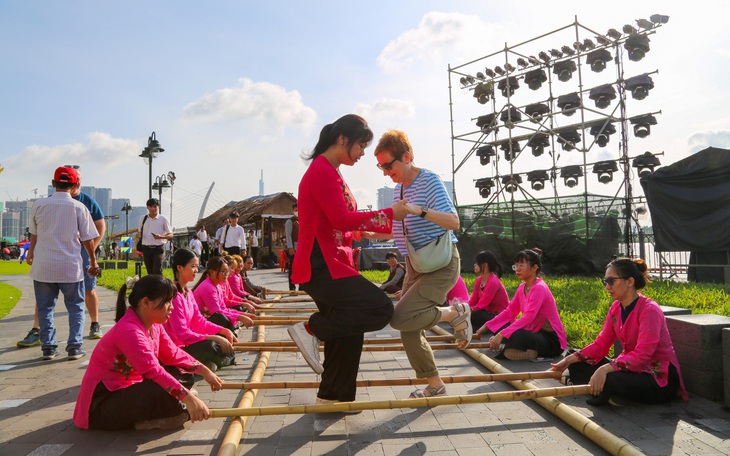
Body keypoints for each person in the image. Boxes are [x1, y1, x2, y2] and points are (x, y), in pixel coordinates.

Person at [287, 114, 407, 405]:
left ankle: (333, 397)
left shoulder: (332, 171)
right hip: (322, 262)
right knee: (378, 308)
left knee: (348, 330)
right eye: (361, 146)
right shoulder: (321, 171)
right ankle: (310, 330)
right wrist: (391, 215)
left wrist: (367, 230)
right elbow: (340, 218)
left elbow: (337, 223)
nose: (363, 153)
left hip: (335, 260)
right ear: (343, 140)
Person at [375, 129, 468, 399]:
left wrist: (420, 211)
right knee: (408, 327)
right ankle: (435, 384)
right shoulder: (398, 190)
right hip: (415, 265)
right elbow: (395, 229)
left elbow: (454, 222)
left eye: (388, 165)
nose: (384, 172)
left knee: (401, 317)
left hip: (440, 264)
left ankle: (454, 313)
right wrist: (363, 231)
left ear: (406, 157)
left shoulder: (429, 181)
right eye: (380, 166)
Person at [73, 274, 223, 431]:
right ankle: (164, 413)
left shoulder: (154, 324)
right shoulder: (129, 330)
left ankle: (172, 406)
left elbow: (172, 354)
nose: (171, 307)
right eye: (166, 302)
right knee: (161, 387)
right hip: (101, 405)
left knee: (179, 373)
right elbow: (153, 371)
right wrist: (189, 399)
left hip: (131, 389)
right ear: (146, 302)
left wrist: (205, 372)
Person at [551, 258, 688, 406]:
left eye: (611, 281)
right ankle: (608, 392)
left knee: (612, 379)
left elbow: (643, 355)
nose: (607, 287)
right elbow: (601, 344)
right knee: (574, 357)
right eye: (605, 282)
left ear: (630, 282)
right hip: (631, 370)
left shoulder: (650, 310)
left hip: (657, 377)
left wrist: (605, 369)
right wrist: (568, 361)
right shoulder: (615, 308)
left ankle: (607, 390)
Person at [17, 167, 107, 348]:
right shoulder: (80, 207)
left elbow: (34, 234)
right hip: (70, 266)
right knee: (75, 307)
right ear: (74, 184)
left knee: (45, 307)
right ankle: (74, 346)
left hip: (44, 266)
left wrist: (31, 252)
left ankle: (48, 347)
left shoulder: (38, 205)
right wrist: (93, 260)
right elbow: (89, 237)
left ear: (52, 184)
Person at [485, 249, 567, 360]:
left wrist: (501, 335)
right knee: (507, 328)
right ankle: (514, 348)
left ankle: (525, 351)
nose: (517, 269)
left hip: (551, 342)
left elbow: (528, 317)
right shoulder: (522, 288)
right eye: (516, 266)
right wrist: (486, 326)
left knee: (515, 333)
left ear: (534, 268)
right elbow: (510, 311)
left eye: (521, 266)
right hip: (534, 333)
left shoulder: (539, 288)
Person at [165, 248, 238, 372]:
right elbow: (182, 334)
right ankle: (200, 365)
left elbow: (199, 321)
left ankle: (207, 364)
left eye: (197, 266)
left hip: (189, 342)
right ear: (180, 268)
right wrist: (214, 338)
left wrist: (222, 331)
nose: (196, 270)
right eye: (193, 266)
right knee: (211, 346)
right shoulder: (174, 296)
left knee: (221, 345)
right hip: (177, 347)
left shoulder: (187, 291)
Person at [192, 256, 255, 332]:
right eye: (223, 271)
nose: (226, 274)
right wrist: (240, 317)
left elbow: (223, 308)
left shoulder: (218, 285)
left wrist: (242, 315)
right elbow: (217, 313)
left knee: (227, 316)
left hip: (209, 320)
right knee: (221, 318)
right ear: (212, 272)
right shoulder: (208, 287)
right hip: (201, 324)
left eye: (227, 271)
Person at [470, 251, 510, 334]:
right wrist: (463, 307)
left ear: (485, 265)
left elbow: (483, 304)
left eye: (477, 263)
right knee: (466, 315)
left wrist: (468, 311)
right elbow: (473, 300)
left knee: (475, 315)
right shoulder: (479, 280)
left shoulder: (493, 281)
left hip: (499, 316)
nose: (475, 265)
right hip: (488, 313)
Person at [137, 198, 172, 276]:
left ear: (158, 207)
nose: (153, 208)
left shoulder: (163, 219)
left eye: (155, 206)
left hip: (159, 248)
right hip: (146, 248)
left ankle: (160, 287)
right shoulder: (143, 219)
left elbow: (171, 234)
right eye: (150, 206)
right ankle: (152, 287)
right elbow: (139, 232)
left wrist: (161, 237)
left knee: (157, 269)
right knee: (149, 271)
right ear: (147, 207)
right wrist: (139, 235)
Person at [285, 203, 299, 291]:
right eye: (296, 210)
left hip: (302, 247)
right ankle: (292, 287)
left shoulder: (303, 220)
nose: (297, 212)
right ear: (293, 211)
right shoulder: (290, 221)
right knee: (293, 268)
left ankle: (302, 286)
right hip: (294, 247)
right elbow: (288, 235)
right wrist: (290, 247)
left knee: (302, 267)